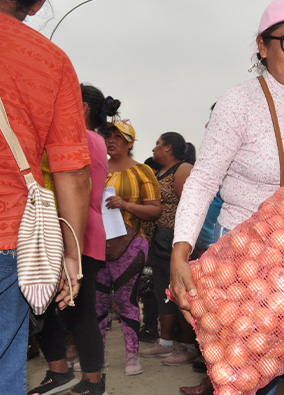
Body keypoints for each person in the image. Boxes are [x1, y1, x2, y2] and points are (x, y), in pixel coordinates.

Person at [169, 1, 284, 394]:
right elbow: (202, 182)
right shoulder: (239, 101)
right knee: (254, 368)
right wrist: (180, 252)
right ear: (262, 47)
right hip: (246, 252)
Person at [0, 1, 91, 393]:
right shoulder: (50, 60)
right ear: (35, 5)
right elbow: (71, 169)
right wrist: (71, 255)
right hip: (9, 241)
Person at [27, 84, 113, 395]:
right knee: (47, 306)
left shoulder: (85, 138)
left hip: (75, 232)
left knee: (78, 311)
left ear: (84, 108)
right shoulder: (93, 140)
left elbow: (73, 187)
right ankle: (60, 372)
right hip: (73, 230)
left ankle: (91, 380)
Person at [99, 120, 162, 376]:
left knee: (126, 300)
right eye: (108, 135)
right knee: (97, 301)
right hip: (98, 243)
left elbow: (155, 210)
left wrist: (125, 204)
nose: (111, 140)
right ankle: (96, 356)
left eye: (118, 137)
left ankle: (132, 355)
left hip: (132, 242)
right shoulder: (97, 169)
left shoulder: (142, 171)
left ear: (130, 143)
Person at [140, 132, 197, 366]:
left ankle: (188, 346)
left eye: (157, 144)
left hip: (176, 240)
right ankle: (165, 343)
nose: (154, 148)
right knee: (161, 291)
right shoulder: (158, 172)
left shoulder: (182, 170)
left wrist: (182, 244)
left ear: (169, 147)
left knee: (179, 292)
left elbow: (191, 208)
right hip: (159, 240)